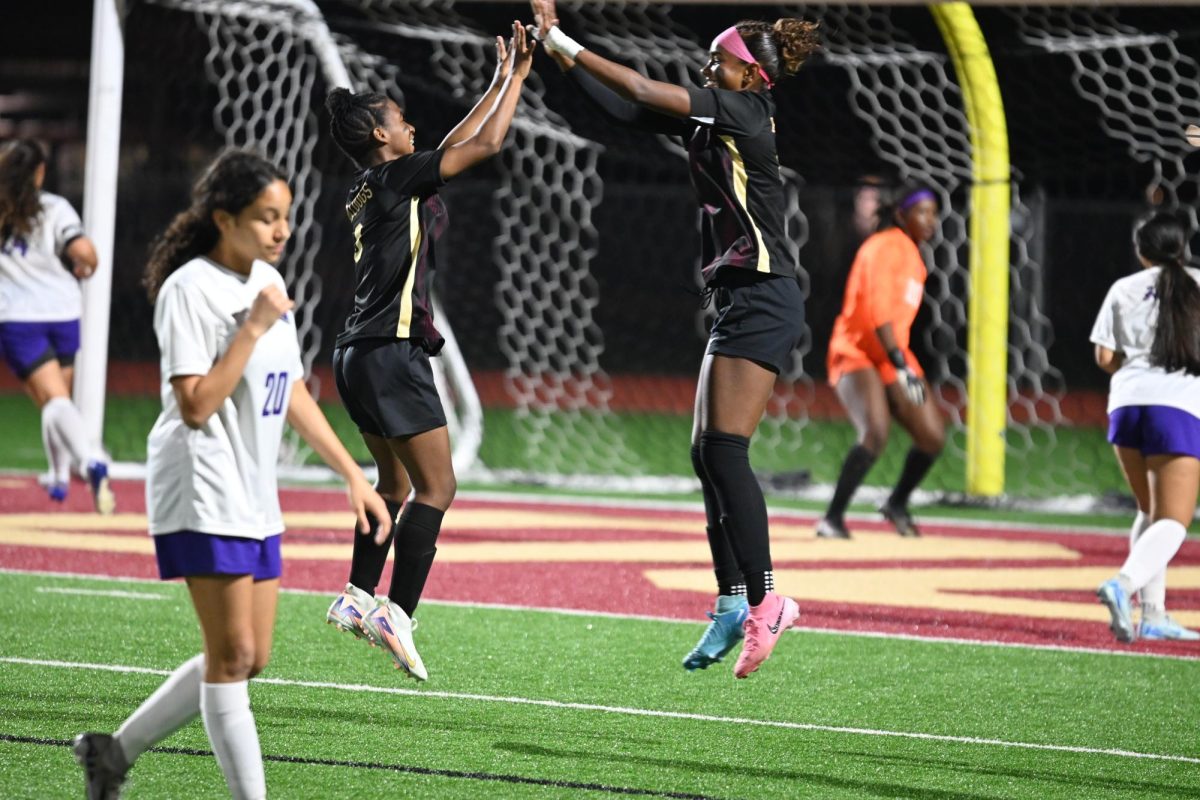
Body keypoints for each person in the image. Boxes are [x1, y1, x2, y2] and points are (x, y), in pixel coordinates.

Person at [73, 149, 392, 800]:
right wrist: (250, 328)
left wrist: (352, 475)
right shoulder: (189, 289)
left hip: (251, 487)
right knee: (231, 658)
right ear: (224, 218)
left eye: (285, 217)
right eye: (265, 218)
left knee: (252, 658)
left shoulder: (267, 289)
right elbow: (194, 405)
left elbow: (293, 392)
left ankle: (113, 753)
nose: (280, 230)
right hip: (199, 481)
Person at [530, 0, 817, 678]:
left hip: (764, 294)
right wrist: (558, 57)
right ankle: (730, 602)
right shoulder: (723, 115)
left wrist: (557, 35)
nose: (705, 67)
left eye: (717, 61)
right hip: (741, 296)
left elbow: (635, 86)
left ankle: (769, 599)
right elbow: (624, 111)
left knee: (725, 448)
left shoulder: (743, 112)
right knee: (704, 452)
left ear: (750, 76)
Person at [321, 21, 535, 682]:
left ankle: (357, 595)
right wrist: (519, 80)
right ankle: (398, 611)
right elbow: (488, 142)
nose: (412, 127)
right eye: (402, 120)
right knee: (438, 485)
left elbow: (450, 145)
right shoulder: (396, 180)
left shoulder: (370, 186)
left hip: (355, 353)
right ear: (380, 136)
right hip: (390, 350)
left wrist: (499, 79)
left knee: (395, 483)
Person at [815, 182, 945, 540]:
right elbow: (879, 315)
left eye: (934, 213)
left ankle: (897, 502)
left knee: (932, 437)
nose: (931, 220)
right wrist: (900, 366)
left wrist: (898, 361)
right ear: (901, 214)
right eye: (923, 211)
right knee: (875, 432)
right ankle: (832, 519)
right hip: (856, 351)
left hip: (893, 356)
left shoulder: (913, 256)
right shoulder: (885, 247)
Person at [1093, 211, 1200, 642]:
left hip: (1125, 404)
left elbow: (1104, 357)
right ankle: (1123, 584)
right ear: (1184, 245)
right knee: (1175, 521)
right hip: (1176, 407)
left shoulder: (1123, 287)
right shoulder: (1196, 284)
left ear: (1141, 251)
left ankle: (1153, 615)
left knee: (1148, 511)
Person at [0, 138, 113, 512]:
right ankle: (59, 476)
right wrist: (88, 267)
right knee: (57, 401)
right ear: (40, 171)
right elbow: (83, 252)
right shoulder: (55, 207)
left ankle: (90, 460)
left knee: (54, 401)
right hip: (65, 312)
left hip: (19, 319)